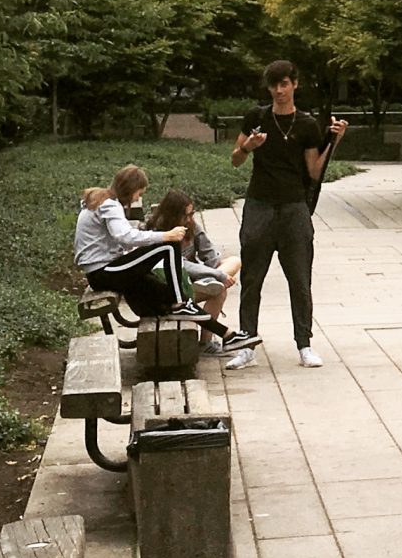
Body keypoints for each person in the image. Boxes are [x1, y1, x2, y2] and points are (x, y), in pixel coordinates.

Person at [227, 59, 346, 370]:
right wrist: (249, 146)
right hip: (259, 206)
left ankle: (304, 344)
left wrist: (333, 141)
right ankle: (247, 344)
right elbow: (235, 159)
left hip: (294, 208)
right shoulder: (256, 117)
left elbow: (314, 171)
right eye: (274, 85)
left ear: (295, 84)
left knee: (299, 279)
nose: (279, 90)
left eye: (284, 84)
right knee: (252, 278)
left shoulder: (306, 124)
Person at [74, 165, 196, 318]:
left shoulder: (103, 200)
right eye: (139, 193)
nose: (138, 198)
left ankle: (224, 333)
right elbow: (125, 236)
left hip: (102, 269)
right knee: (169, 247)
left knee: (157, 287)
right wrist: (165, 236)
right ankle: (178, 303)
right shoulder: (110, 205)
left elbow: (123, 242)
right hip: (102, 272)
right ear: (130, 189)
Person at [148, 188, 259, 355]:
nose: (190, 219)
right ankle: (206, 342)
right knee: (219, 290)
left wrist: (215, 269)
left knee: (234, 262)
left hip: (200, 280)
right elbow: (180, 265)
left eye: (192, 214)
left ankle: (208, 285)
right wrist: (216, 275)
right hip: (177, 288)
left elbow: (209, 252)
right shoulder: (160, 234)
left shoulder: (191, 226)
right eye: (186, 215)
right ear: (173, 215)